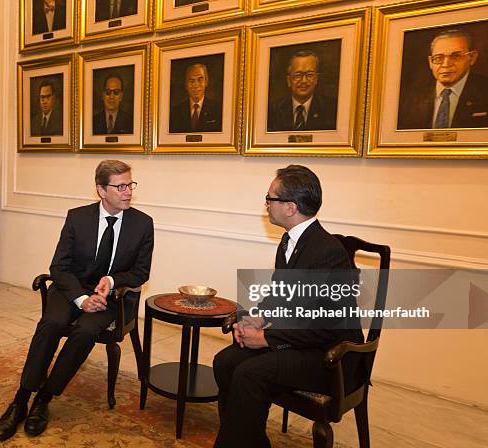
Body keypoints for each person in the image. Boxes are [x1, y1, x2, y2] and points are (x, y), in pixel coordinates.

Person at [0, 160, 154, 441]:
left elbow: (141, 272)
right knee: (51, 323)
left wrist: (112, 281)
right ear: (101, 190)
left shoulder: (142, 224)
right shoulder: (77, 218)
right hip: (71, 289)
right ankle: (20, 399)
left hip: (111, 297)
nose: (128, 191)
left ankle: (44, 398)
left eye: (130, 184)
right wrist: (81, 299)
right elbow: (59, 267)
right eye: (121, 186)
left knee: (85, 331)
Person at [212, 165, 364, 448]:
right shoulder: (289, 241)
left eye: (270, 198)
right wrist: (255, 318)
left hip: (330, 357)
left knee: (250, 373)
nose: (266, 204)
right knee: (225, 362)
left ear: (290, 207)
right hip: (301, 341)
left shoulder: (327, 253)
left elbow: (323, 326)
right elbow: (280, 297)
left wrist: (267, 338)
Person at [397, 29, 488, 129]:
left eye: (456, 56)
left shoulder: (484, 90)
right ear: (430, 62)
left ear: (472, 58)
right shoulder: (411, 97)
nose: (446, 65)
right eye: (438, 58)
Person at [267, 50, 337, 132]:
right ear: (289, 80)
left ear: (316, 79)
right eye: (298, 75)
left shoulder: (332, 109)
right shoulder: (273, 110)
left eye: (309, 74)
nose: (304, 81)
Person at [169, 63, 222, 133]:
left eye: (200, 80)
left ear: (206, 82)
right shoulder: (175, 112)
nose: (196, 85)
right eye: (191, 81)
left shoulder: (218, 109)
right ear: (186, 85)